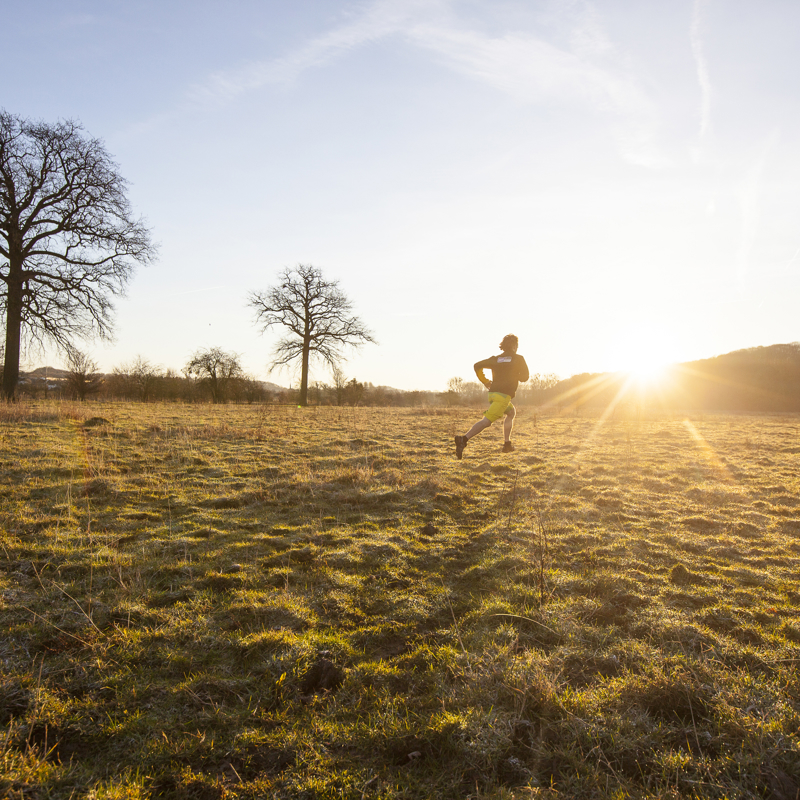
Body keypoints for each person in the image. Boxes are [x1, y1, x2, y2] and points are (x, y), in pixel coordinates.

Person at [454, 334, 529, 459]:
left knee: (511, 412)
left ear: (503, 346)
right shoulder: (518, 358)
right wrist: (516, 374)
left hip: (493, 394)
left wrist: (485, 381)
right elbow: (525, 377)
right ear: (515, 346)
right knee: (486, 422)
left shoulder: (496, 359)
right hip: (503, 396)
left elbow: (476, 365)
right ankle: (463, 439)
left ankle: (507, 444)